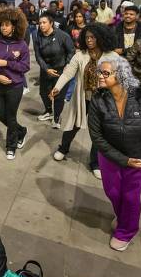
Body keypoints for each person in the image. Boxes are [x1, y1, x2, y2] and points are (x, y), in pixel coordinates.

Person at [89, 56, 141, 251]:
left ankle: (126, 230)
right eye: (99, 72)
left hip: (140, 157)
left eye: (105, 73)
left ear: (121, 75)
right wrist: (123, 160)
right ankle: (122, 217)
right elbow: (97, 137)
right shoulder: (97, 99)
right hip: (110, 157)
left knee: (129, 197)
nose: (100, 77)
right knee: (112, 193)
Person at [50, 23, 120, 179]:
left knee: (99, 132)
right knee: (72, 124)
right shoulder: (80, 55)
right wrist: (57, 88)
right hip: (82, 98)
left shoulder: (112, 56)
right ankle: (63, 148)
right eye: (87, 37)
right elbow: (68, 74)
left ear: (101, 38)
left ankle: (95, 162)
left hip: (103, 101)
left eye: (93, 37)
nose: (89, 40)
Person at [0, 7, 31, 160]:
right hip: (0, 85)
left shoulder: (21, 45)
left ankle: (11, 146)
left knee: (10, 117)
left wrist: (7, 63)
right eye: (2, 24)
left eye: (7, 24)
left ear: (14, 26)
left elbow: (25, 67)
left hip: (15, 86)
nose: (4, 27)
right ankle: (21, 130)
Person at [34, 14, 75, 127]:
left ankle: (57, 117)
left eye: (44, 22)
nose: (41, 25)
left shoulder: (63, 35)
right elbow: (38, 56)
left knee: (58, 96)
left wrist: (67, 64)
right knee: (43, 93)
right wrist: (46, 69)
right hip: (46, 70)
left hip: (60, 70)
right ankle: (49, 112)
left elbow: (71, 51)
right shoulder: (38, 37)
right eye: (40, 23)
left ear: (51, 23)